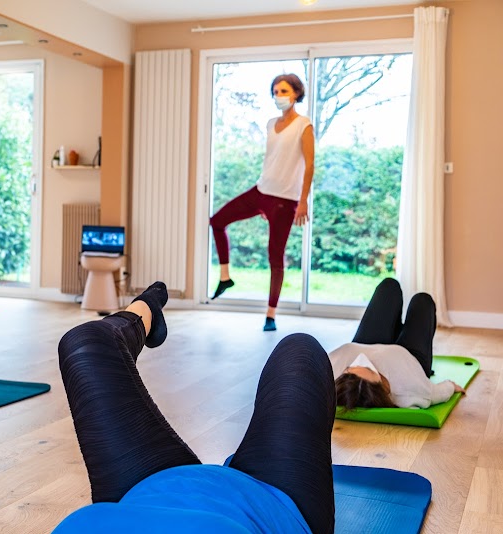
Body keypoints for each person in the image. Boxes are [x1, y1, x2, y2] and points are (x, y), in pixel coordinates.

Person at [55, 282, 336, 533]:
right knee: (300, 351)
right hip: (274, 503)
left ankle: (145, 311)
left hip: (143, 489)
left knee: (83, 342)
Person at [210, 73, 315, 332]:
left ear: (297, 94)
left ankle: (270, 315)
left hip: (285, 199)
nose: (279, 96)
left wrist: (303, 201)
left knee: (275, 257)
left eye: (284, 91)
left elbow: (310, 164)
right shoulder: (270, 124)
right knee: (217, 221)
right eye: (276, 92)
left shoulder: (304, 125)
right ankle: (225, 277)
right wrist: (261, 204)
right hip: (261, 191)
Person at [331, 278, 465, 411]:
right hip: (410, 355)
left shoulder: (333, 374)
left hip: (365, 343)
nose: (362, 360)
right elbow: (436, 393)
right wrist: (451, 386)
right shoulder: (410, 392)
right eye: (370, 369)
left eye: (351, 367)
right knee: (422, 300)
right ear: (383, 388)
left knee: (389, 286)